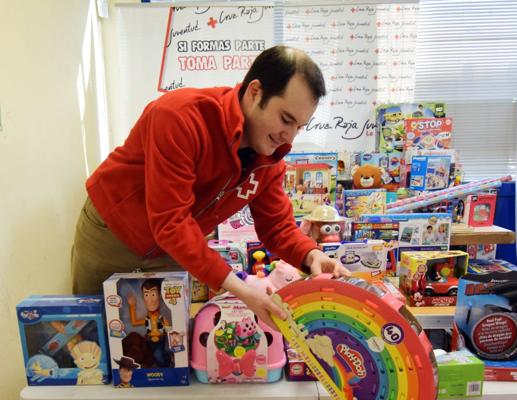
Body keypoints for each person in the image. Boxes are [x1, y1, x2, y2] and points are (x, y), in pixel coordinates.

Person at [71, 45, 350, 328]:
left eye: (299, 127)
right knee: (92, 340)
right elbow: (171, 221)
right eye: (285, 119)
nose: (288, 137)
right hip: (110, 236)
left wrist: (312, 254)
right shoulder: (180, 116)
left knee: (163, 344)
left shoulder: (270, 160)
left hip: (174, 251)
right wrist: (241, 289)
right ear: (255, 92)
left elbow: (277, 227)